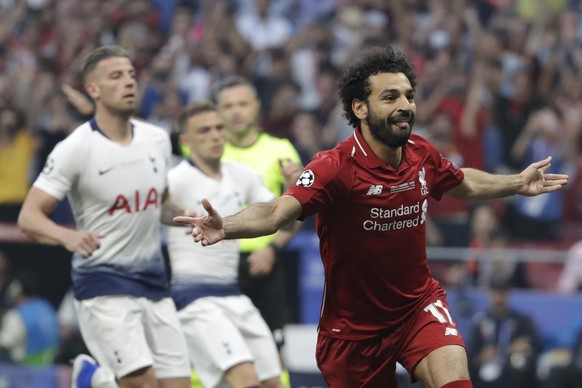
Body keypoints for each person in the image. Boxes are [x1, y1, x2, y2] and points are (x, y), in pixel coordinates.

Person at [174, 46, 569, 388]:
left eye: (409, 97)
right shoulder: (335, 167)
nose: (405, 106)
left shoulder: (421, 153)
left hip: (417, 307)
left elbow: (463, 182)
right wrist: (226, 226)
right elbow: (277, 211)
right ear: (360, 107)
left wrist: (516, 182)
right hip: (353, 331)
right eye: (391, 97)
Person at [17, 45, 191, 388]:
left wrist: (188, 218)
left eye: (131, 75)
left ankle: (96, 380)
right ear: (93, 90)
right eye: (116, 76)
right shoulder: (75, 149)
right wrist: (68, 236)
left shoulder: (156, 138)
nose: (128, 82)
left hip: (154, 281)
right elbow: (28, 217)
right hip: (102, 283)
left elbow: (162, 205)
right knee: (144, 383)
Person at [166, 100, 284, 388]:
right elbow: (156, 209)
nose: (215, 135)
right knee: (245, 380)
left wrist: (294, 190)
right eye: (204, 130)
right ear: (186, 140)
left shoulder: (240, 175)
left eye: (219, 128)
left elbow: (281, 215)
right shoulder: (175, 180)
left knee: (274, 381)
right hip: (194, 299)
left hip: (233, 294)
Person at [214, 76, 303, 362]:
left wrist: (273, 249)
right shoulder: (204, 148)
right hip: (217, 266)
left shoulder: (280, 150)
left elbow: (297, 211)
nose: (236, 111)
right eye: (227, 106)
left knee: (271, 355)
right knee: (217, 354)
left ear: (256, 107)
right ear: (217, 112)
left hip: (264, 265)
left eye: (242, 104)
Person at [467, 277, 543, 388]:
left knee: (518, 367)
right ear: (490, 295)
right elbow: (470, 352)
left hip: (511, 372)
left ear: (508, 294)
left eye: (502, 294)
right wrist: (480, 358)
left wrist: (523, 347)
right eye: (495, 294)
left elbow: (536, 345)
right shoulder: (480, 321)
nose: (499, 299)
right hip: (484, 372)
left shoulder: (521, 320)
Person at [0, 272, 60, 366]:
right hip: (51, 368)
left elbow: (3, 343)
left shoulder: (17, 315)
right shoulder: (46, 306)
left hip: (26, 370)